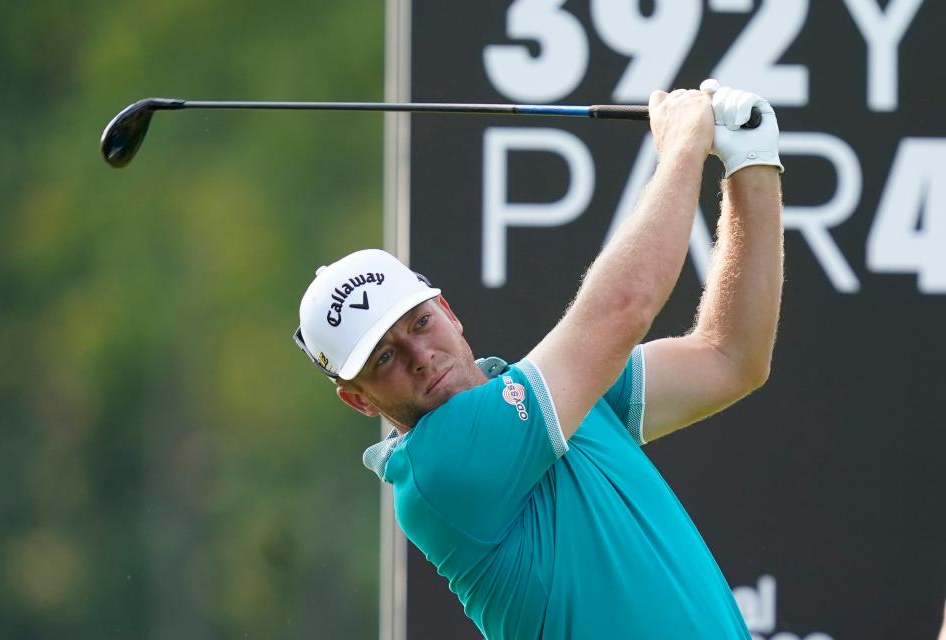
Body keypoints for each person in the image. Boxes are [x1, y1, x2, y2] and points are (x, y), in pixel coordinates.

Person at [294, 79, 784, 639]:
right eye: (384, 357)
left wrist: (752, 163)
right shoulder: (439, 468)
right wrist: (681, 148)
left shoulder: (563, 399)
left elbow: (731, 357)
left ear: (448, 311)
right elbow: (623, 308)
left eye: (420, 323)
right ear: (357, 399)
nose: (421, 357)